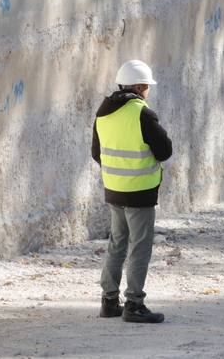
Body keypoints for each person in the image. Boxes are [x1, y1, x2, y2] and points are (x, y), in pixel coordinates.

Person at [92, 60, 173, 324]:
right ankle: (134, 304)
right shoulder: (142, 113)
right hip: (139, 190)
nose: (148, 91)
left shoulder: (103, 111)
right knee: (140, 246)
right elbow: (165, 150)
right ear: (139, 87)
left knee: (117, 243)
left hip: (114, 189)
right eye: (147, 86)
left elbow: (97, 153)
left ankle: (109, 301)